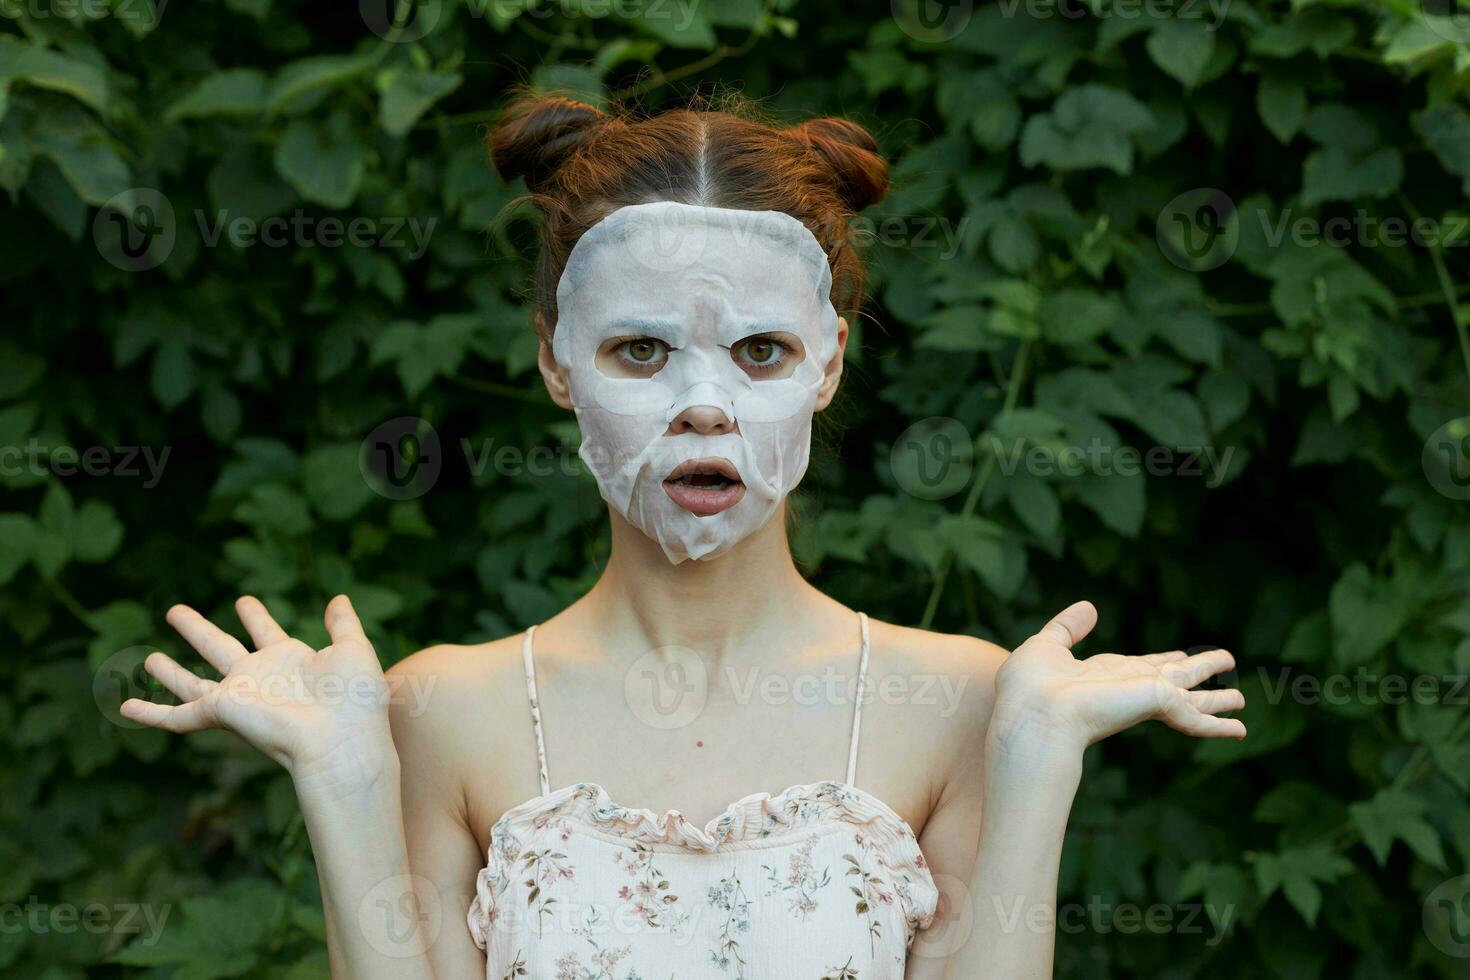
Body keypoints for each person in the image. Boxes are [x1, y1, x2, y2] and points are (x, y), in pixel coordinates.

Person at [120, 94, 1246, 980]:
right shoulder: (443, 707)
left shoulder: (961, 701)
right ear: (558, 361)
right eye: (642, 351)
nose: (704, 406)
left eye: (759, 351)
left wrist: (1041, 761)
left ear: (831, 361)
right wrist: (347, 780)